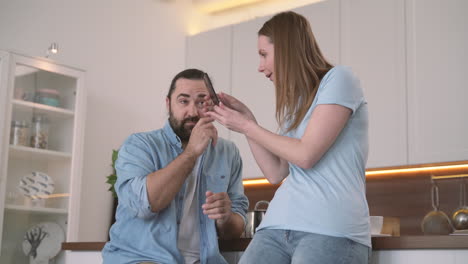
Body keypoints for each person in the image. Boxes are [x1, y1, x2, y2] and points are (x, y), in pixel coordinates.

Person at [206, 11, 371, 264]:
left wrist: (248, 127)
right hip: (276, 226)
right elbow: (276, 172)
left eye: (264, 54)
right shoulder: (297, 104)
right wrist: (248, 122)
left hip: (330, 228)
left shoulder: (339, 79)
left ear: (285, 49)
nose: (260, 66)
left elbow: (306, 155)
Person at [102, 69, 249, 264]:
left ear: (212, 106)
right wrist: (191, 153)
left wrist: (225, 216)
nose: (193, 112)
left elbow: (235, 229)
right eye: (183, 101)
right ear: (168, 103)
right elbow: (144, 205)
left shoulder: (228, 153)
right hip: (141, 259)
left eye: (201, 102)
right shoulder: (140, 145)